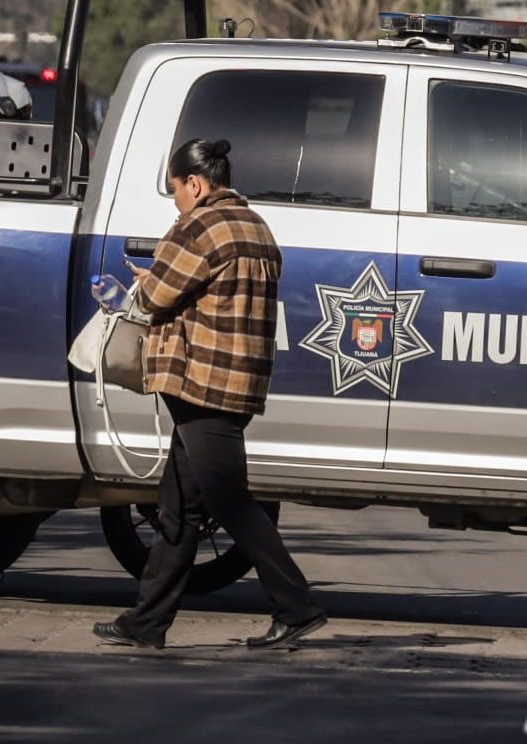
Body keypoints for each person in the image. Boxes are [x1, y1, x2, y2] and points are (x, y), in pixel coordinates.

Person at [92, 139, 327, 651]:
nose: (176, 201)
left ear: (196, 184)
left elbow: (155, 297)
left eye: (176, 189)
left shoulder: (198, 226)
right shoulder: (256, 226)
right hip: (239, 382)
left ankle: (297, 606)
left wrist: (147, 279)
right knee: (179, 509)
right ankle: (146, 622)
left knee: (230, 501)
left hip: (201, 383)